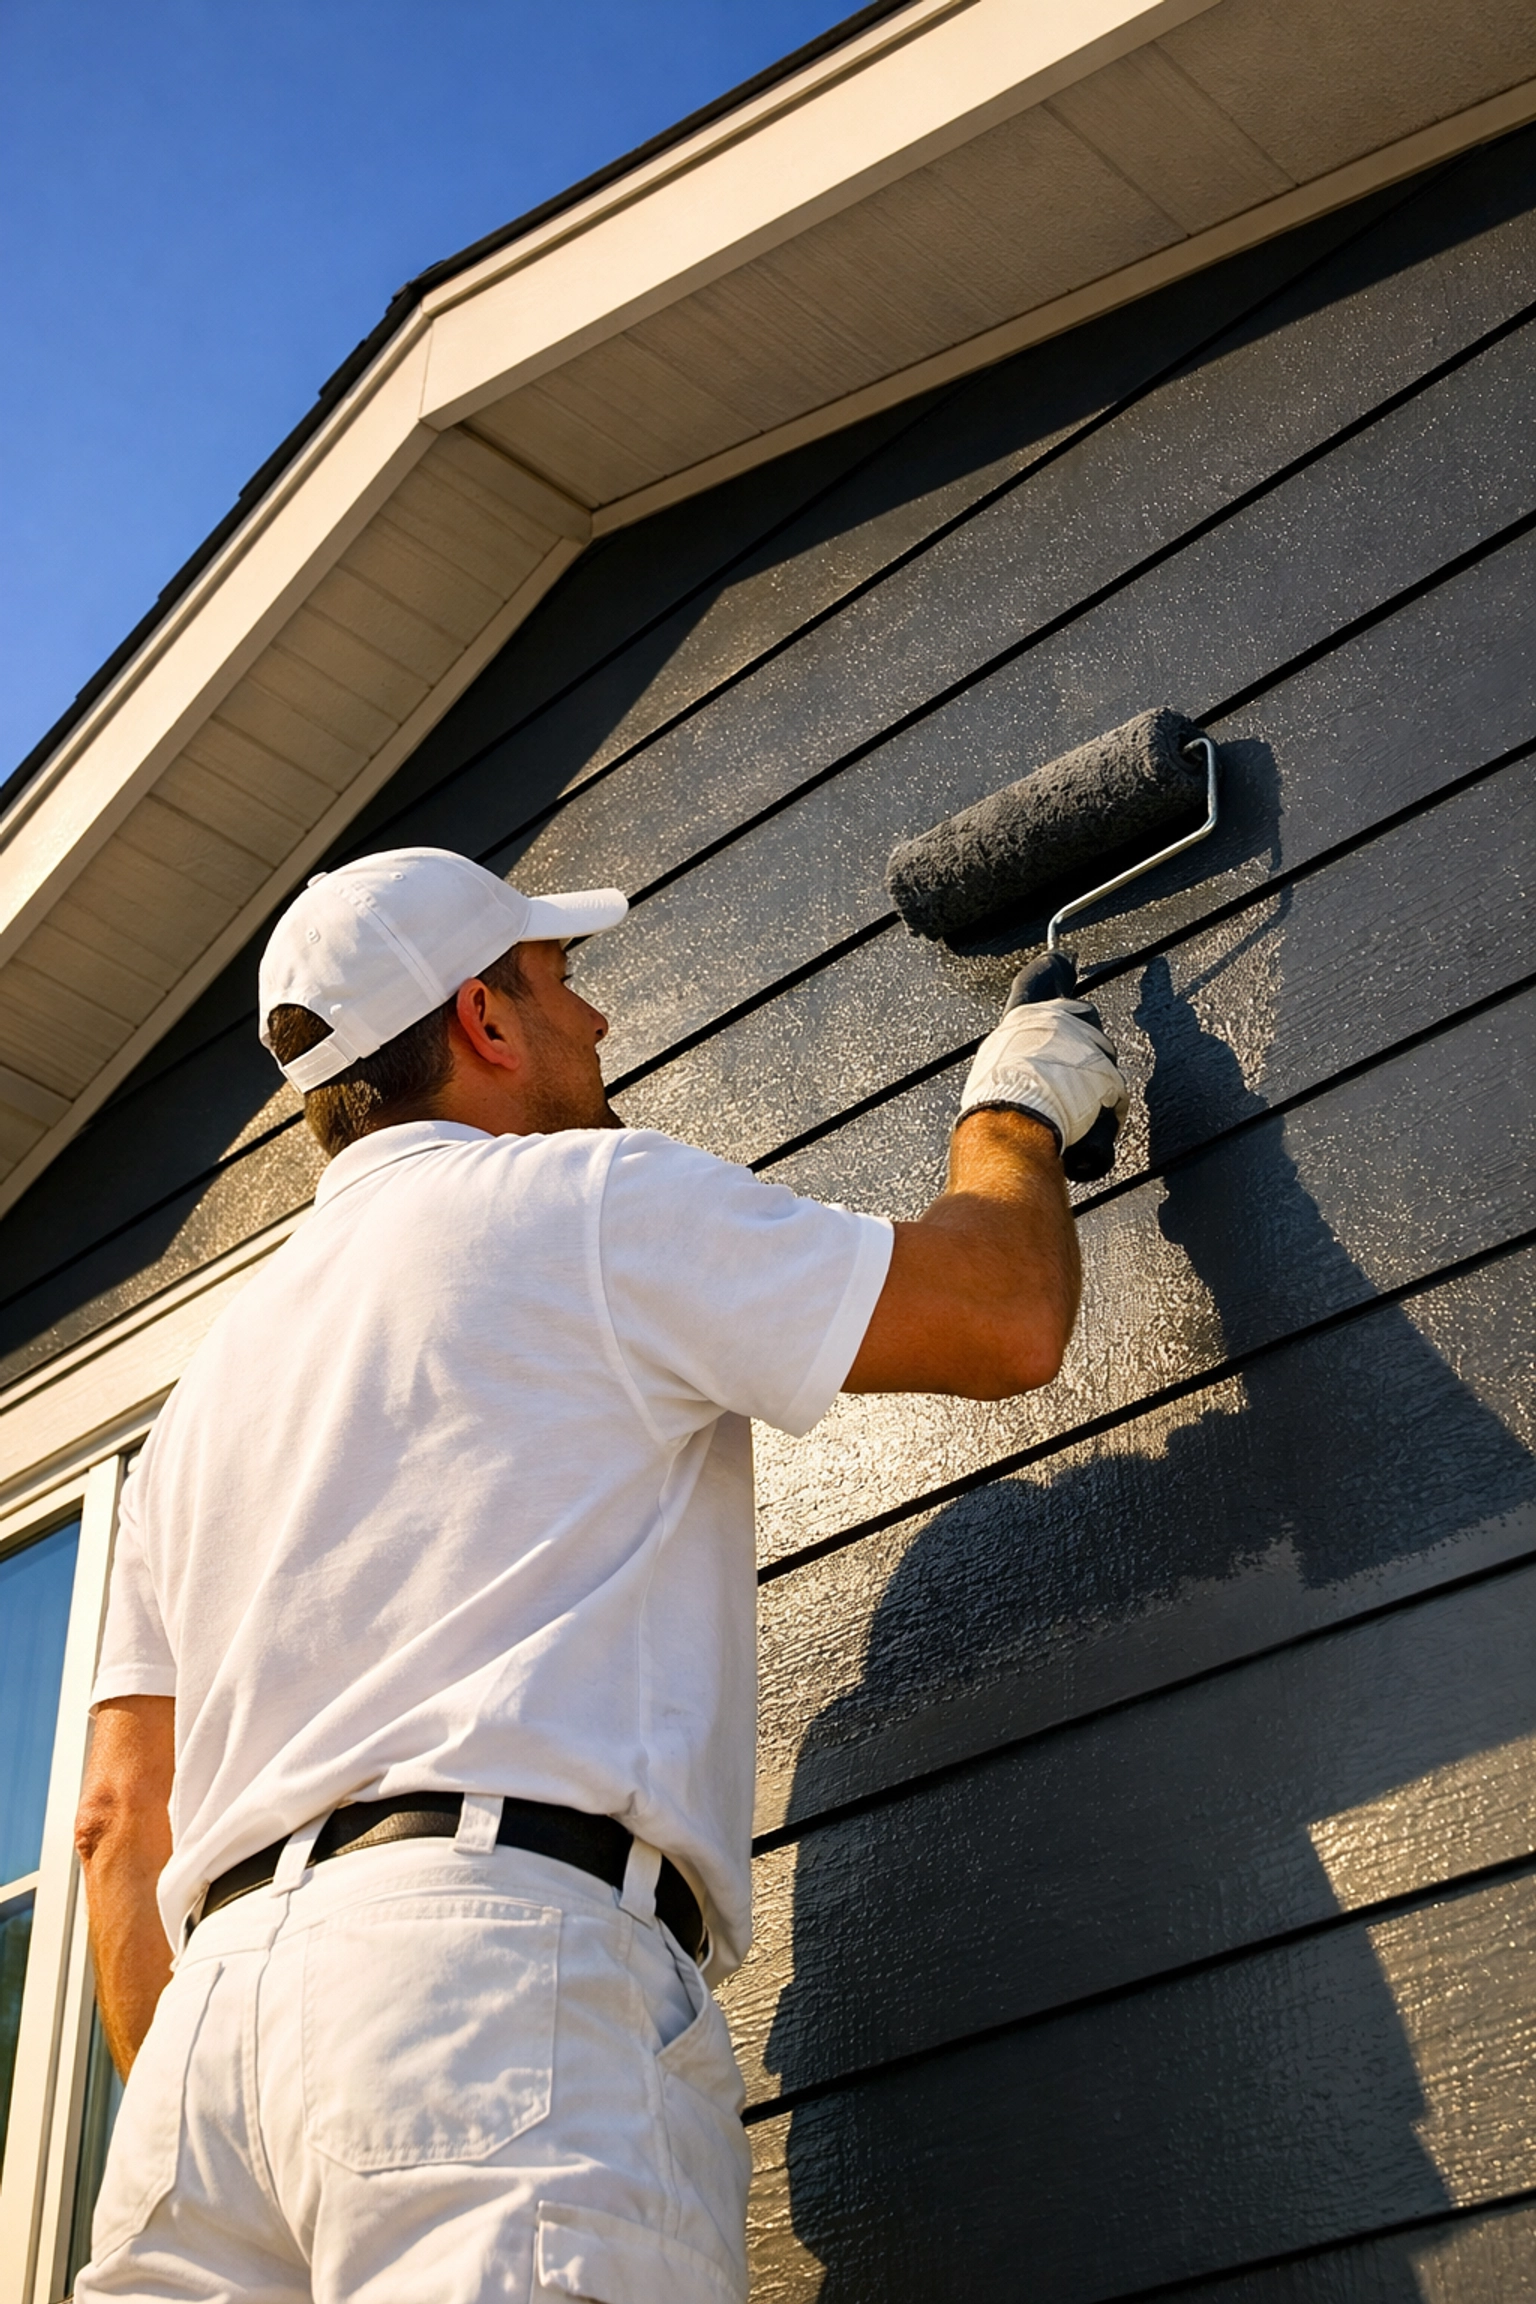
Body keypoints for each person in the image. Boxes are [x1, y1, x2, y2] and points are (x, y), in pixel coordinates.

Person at [72, 845, 1125, 2304]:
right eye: (561, 985)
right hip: (478, 1990)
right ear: (485, 1023)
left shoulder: (202, 1400)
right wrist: (1014, 1111)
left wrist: (218, 2092)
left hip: (198, 2078)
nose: (598, 1023)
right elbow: (1002, 1316)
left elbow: (121, 1825)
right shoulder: (578, 1202)